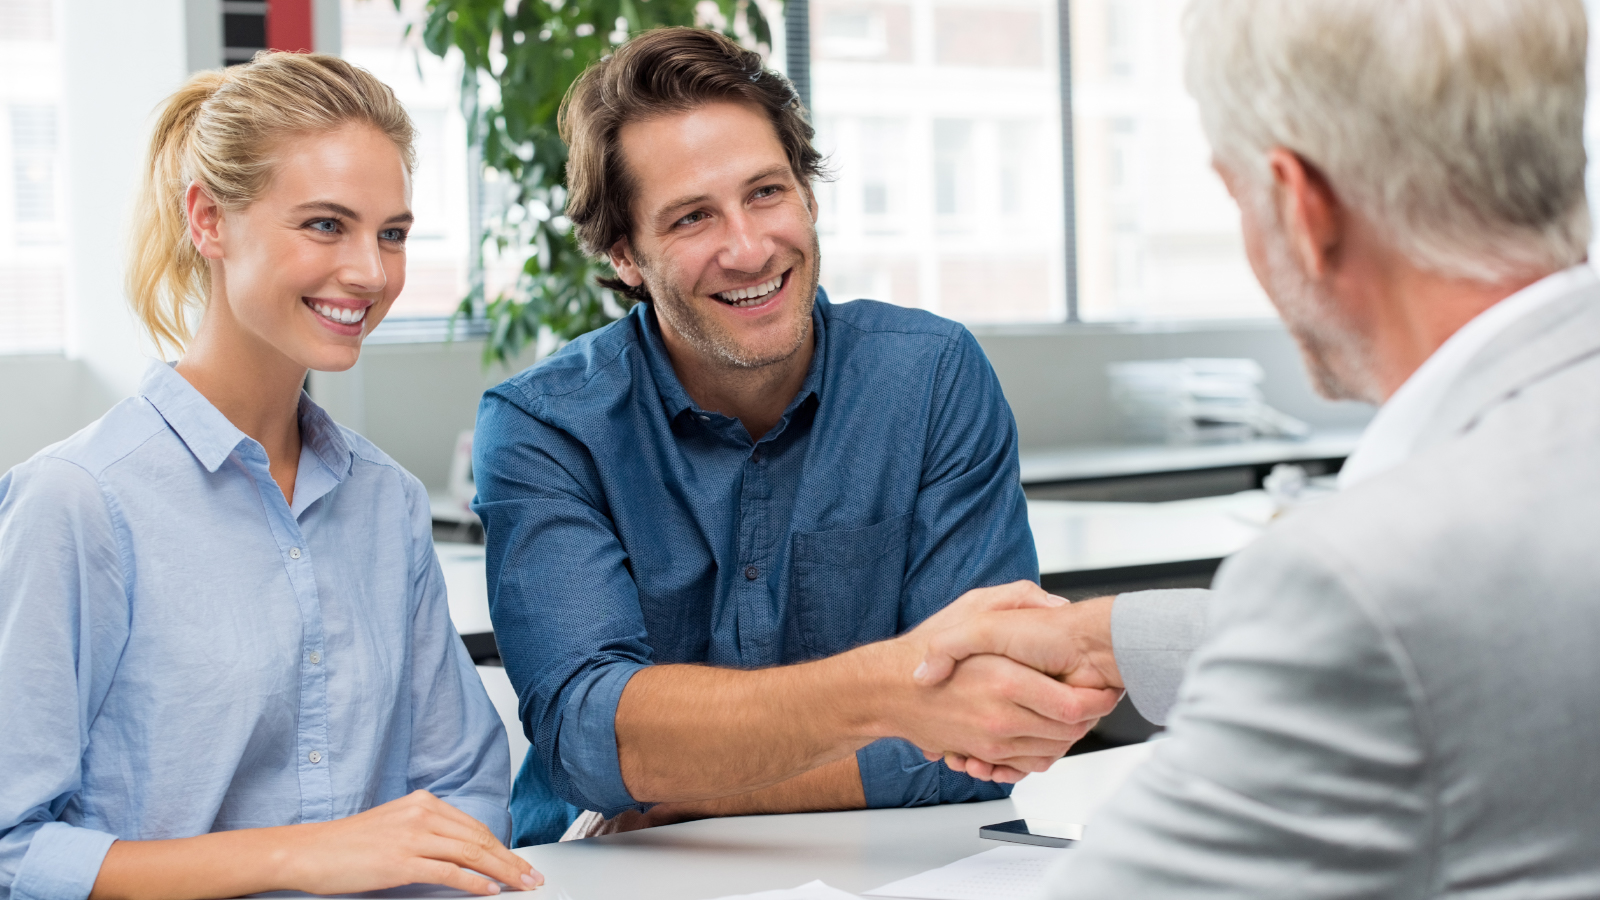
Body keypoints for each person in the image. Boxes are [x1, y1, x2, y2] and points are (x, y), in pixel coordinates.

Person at [911, 0, 1600, 893]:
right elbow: (1493, 631)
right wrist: (1117, 636)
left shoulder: (1368, 577)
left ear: (1300, 206)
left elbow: (1391, 631)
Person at [471, 27, 1121, 846]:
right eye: (692, 217)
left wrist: (701, 787)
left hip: (892, 864)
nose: (748, 248)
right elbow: (589, 742)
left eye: (767, 193)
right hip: (612, 875)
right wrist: (898, 693)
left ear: (809, 197)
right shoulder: (545, 425)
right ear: (624, 254)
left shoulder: (930, 378)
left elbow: (992, 717)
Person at [0, 53, 541, 900]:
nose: (370, 272)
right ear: (209, 222)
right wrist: (304, 856)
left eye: (391, 233)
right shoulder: (76, 502)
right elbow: (14, 851)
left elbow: (464, 788)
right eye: (326, 225)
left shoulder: (387, 502)